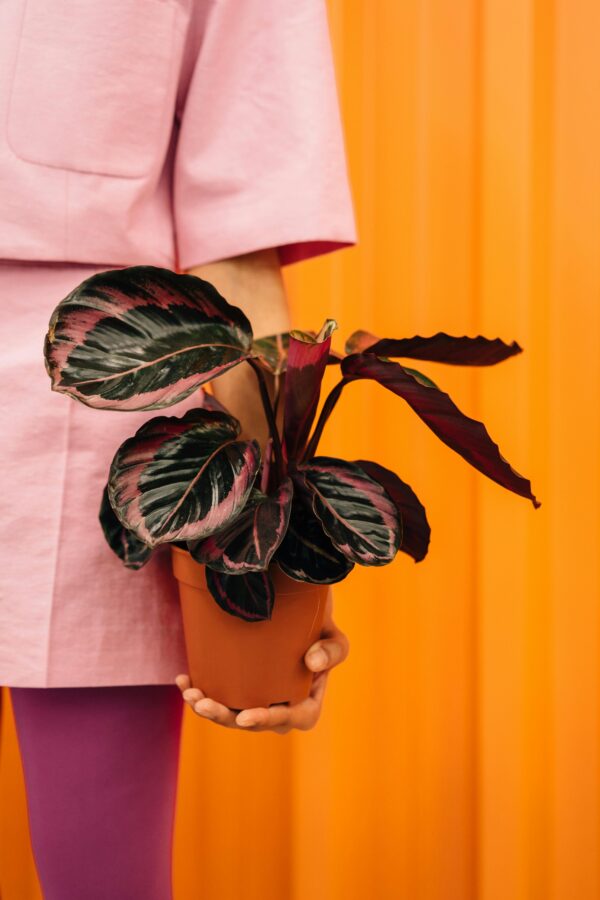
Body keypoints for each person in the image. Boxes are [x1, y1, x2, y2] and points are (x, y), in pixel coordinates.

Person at [0, 1, 356, 897]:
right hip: (89, 417)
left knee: (104, 879)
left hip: (90, 418)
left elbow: (239, 254)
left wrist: (271, 564)